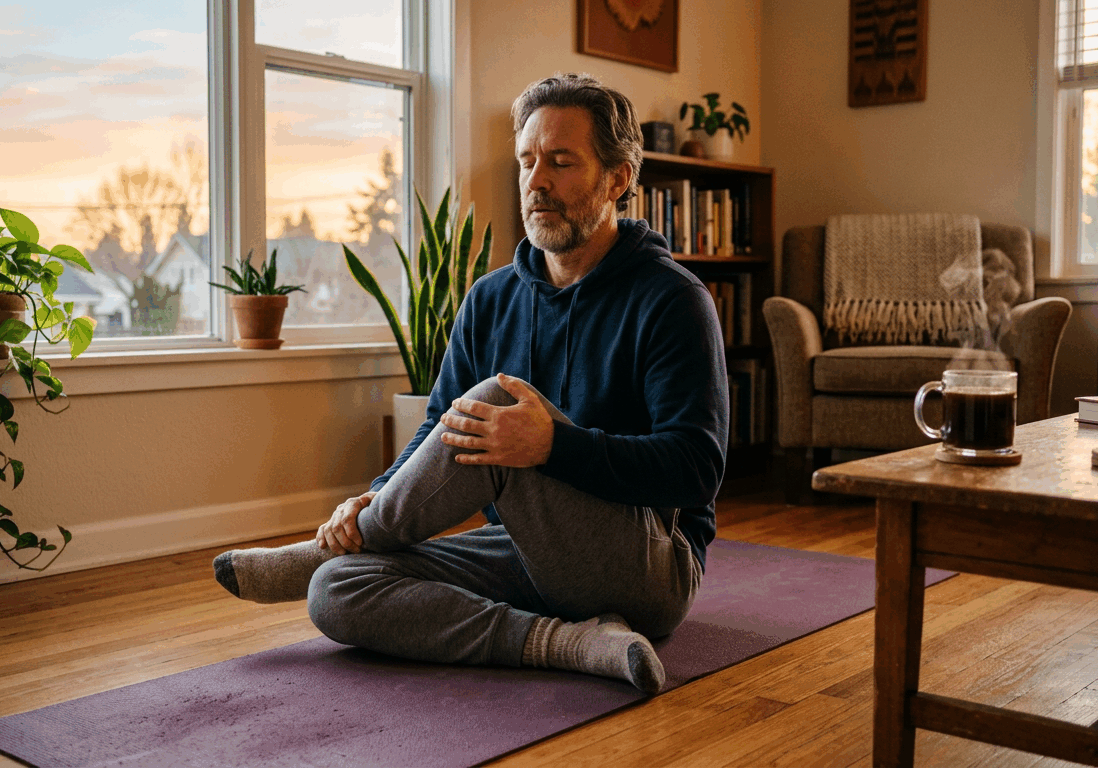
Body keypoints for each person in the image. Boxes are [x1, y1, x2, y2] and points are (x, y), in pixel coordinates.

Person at [213, 73, 729, 694]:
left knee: (493, 403)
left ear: (617, 179)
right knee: (337, 590)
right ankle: (570, 642)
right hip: (524, 547)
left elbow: (696, 467)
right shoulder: (491, 298)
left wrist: (551, 446)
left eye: (561, 162)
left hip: (650, 566)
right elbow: (436, 426)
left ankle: (327, 550)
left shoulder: (672, 299)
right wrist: (372, 498)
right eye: (527, 161)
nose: (536, 182)